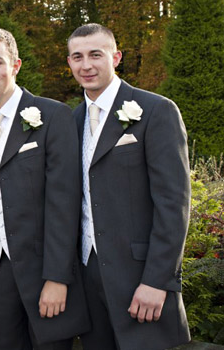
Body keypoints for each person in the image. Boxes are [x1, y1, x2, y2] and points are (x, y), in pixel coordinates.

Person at [68, 23, 191, 350]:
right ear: (69, 63)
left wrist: (157, 281)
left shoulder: (156, 111)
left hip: (141, 279)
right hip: (89, 279)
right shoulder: (71, 122)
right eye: (77, 57)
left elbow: (173, 204)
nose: (86, 65)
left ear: (116, 57)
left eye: (96, 55)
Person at [0, 26, 90, 350]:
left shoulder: (52, 116)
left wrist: (57, 278)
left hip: (44, 271)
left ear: (16, 65)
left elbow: (64, 202)